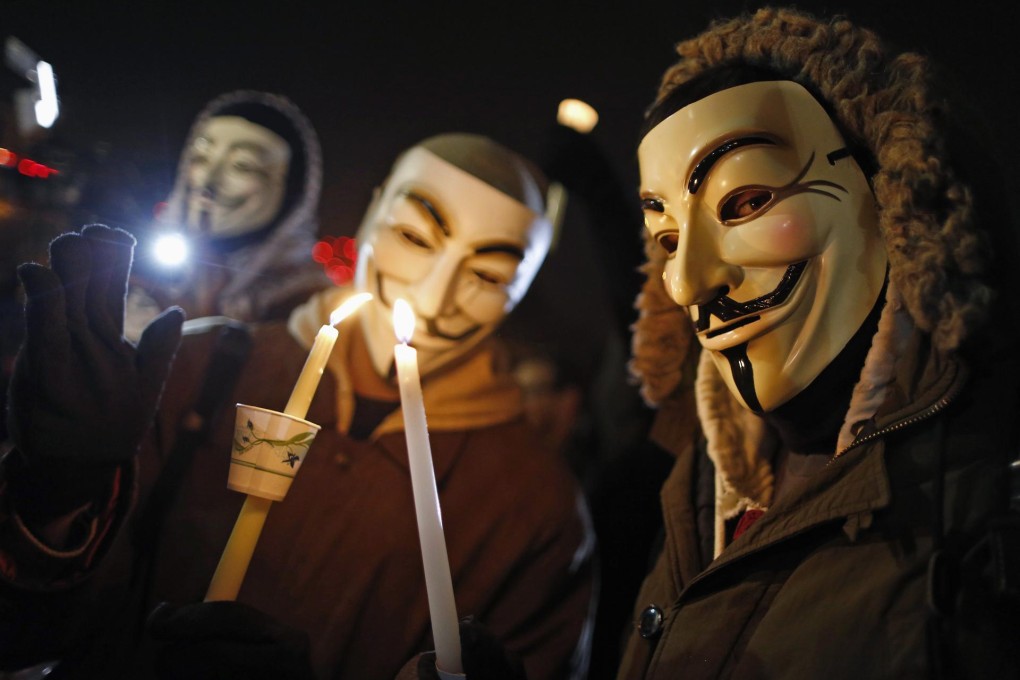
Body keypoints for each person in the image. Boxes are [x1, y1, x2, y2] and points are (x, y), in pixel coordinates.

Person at [407, 6, 1020, 679]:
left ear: (900, 195)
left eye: (747, 201)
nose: (689, 282)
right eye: (666, 240)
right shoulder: (697, 491)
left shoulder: (984, 517)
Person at [0, 133, 595, 680]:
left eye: (487, 275)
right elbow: (35, 629)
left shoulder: (536, 507)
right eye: (414, 237)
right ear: (375, 207)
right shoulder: (201, 367)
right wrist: (58, 495)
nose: (435, 298)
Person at [124, 89, 330, 339]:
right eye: (200, 157)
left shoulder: (309, 311)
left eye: (242, 165)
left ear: (292, 194)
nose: (207, 183)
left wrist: (199, 327)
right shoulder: (128, 265)